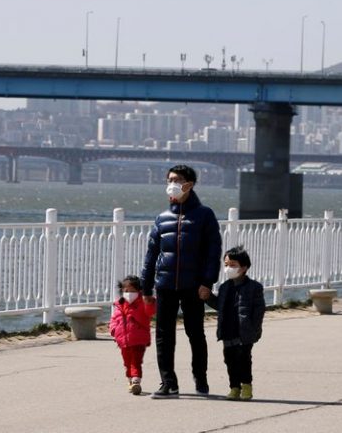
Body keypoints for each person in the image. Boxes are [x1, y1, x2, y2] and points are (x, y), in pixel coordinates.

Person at [141, 164, 222, 398]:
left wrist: (207, 282)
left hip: (193, 286)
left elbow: (213, 252)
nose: (171, 184)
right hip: (165, 285)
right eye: (169, 180)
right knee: (164, 335)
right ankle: (168, 382)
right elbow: (151, 255)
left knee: (195, 333)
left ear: (189, 184)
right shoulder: (162, 218)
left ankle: (201, 378)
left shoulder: (204, 215)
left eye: (176, 179)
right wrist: (147, 287)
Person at [200, 246, 265, 401]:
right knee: (229, 359)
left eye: (233, 265)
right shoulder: (224, 287)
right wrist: (208, 297)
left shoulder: (254, 287)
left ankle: (247, 386)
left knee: (243, 358)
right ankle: (234, 387)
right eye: (226, 265)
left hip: (244, 331)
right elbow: (219, 305)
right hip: (227, 329)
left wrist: (253, 330)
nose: (228, 268)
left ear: (244, 268)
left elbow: (259, 311)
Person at [109, 275, 156, 396]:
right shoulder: (120, 304)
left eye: (132, 291)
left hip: (139, 338)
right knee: (127, 361)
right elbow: (114, 319)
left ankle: (136, 380)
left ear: (139, 291)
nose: (129, 293)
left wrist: (150, 301)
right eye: (126, 291)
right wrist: (113, 329)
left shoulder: (143, 303)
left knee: (136, 361)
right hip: (123, 339)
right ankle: (130, 380)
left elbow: (150, 311)